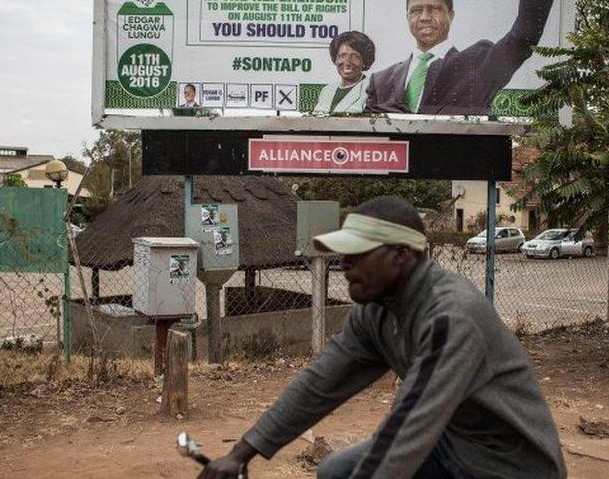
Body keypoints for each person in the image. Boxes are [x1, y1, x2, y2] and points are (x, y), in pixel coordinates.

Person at [198, 196, 566, 479]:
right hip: (453, 445)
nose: (345, 264)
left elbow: (410, 426)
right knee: (334, 472)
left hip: (509, 467)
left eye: (357, 253)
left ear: (401, 256)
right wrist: (241, 453)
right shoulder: (376, 311)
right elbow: (320, 384)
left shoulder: (450, 318)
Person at [364, 0, 556, 115]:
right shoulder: (381, 80)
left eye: (434, 9)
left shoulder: (477, 63)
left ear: (451, 15)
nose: (424, 17)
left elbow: (521, 39)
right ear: (407, 17)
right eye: (416, 10)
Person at [313, 31, 376, 115]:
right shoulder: (326, 91)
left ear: (364, 61)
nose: (347, 62)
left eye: (354, 57)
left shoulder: (373, 91)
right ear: (335, 60)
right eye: (342, 56)